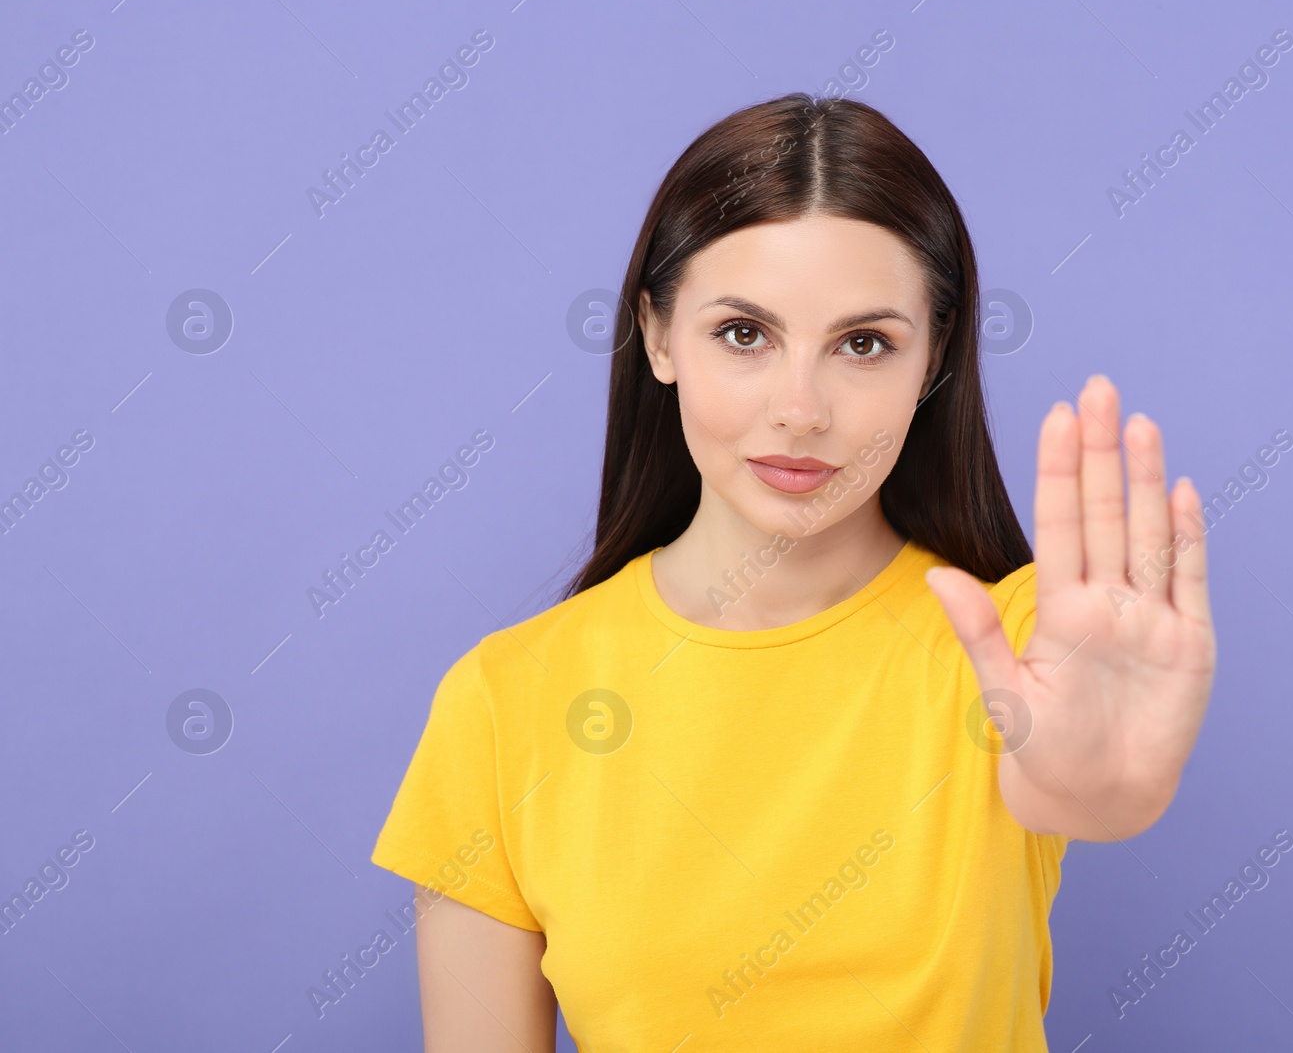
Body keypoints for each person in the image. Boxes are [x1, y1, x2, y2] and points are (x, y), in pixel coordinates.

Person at [370, 92, 1217, 1051]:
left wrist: (1097, 791)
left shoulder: (1023, 649)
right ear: (657, 336)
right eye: (744, 334)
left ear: (933, 359)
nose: (801, 408)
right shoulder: (504, 703)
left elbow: (1082, 770)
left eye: (864, 344)